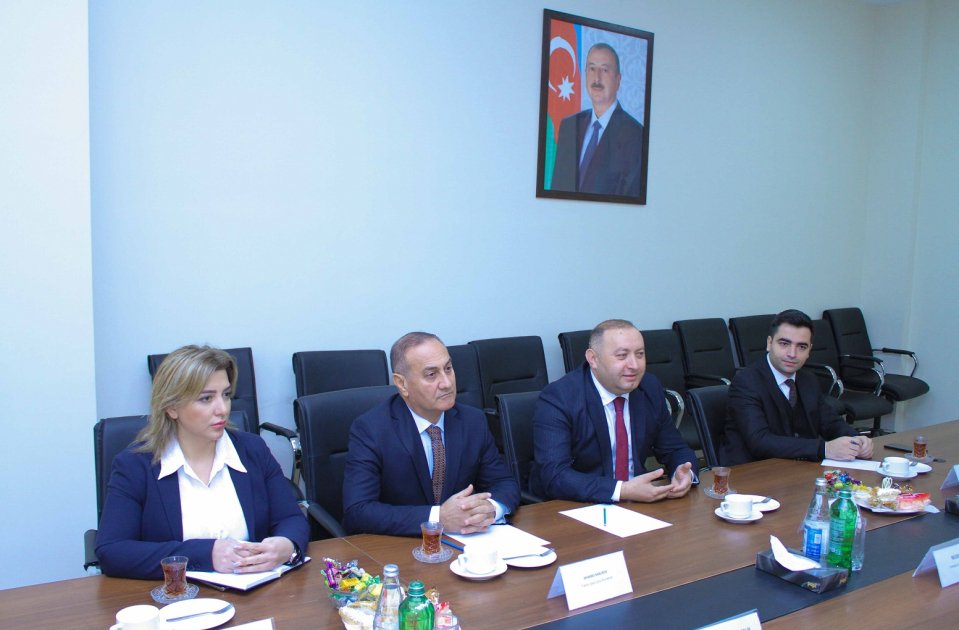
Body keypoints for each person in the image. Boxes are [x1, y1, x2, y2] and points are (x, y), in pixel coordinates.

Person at [96, 345, 309, 579]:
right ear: (171, 407)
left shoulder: (252, 450)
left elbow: (290, 518)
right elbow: (112, 551)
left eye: (226, 395)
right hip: (177, 595)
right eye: (206, 398)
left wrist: (287, 544)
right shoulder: (135, 465)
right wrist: (205, 554)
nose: (223, 409)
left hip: (255, 590)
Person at [342, 332, 520, 536]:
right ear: (402, 384)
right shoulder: (371, 429)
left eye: (448, 369)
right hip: (400, 545)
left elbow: (504, 483)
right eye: (431, 375)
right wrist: (438, 518)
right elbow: (357, 511)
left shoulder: (473, 421)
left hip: (466, 542)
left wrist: (490, 508)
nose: (447, 383)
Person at [532, 319, 698, 504]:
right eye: (622, 355)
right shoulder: (560, 397)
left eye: (640, 354)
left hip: (639, 503)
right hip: (576, 505)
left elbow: (674, 448)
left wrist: (684, 472)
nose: (634, 365)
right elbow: (554, 475)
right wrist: (622, 490)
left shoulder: (649, 387)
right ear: (593, 359)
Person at [721, 309, 874, 465]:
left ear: (809, 351)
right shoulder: (746, 382)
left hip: (798, 468)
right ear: (769, 343)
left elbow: (830, 422)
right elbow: (759, 441)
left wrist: (856, 440)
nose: (792, 354)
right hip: (752, 471)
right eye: (784, 344)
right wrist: (824, 449)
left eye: (801, 347)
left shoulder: (808, 380)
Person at [550, 43, 644, 197]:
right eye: (592, 68)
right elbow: (556, 190)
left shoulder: (636, 135)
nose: (597, 78)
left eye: (605, 70)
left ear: (618, 80)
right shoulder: (569, 126)